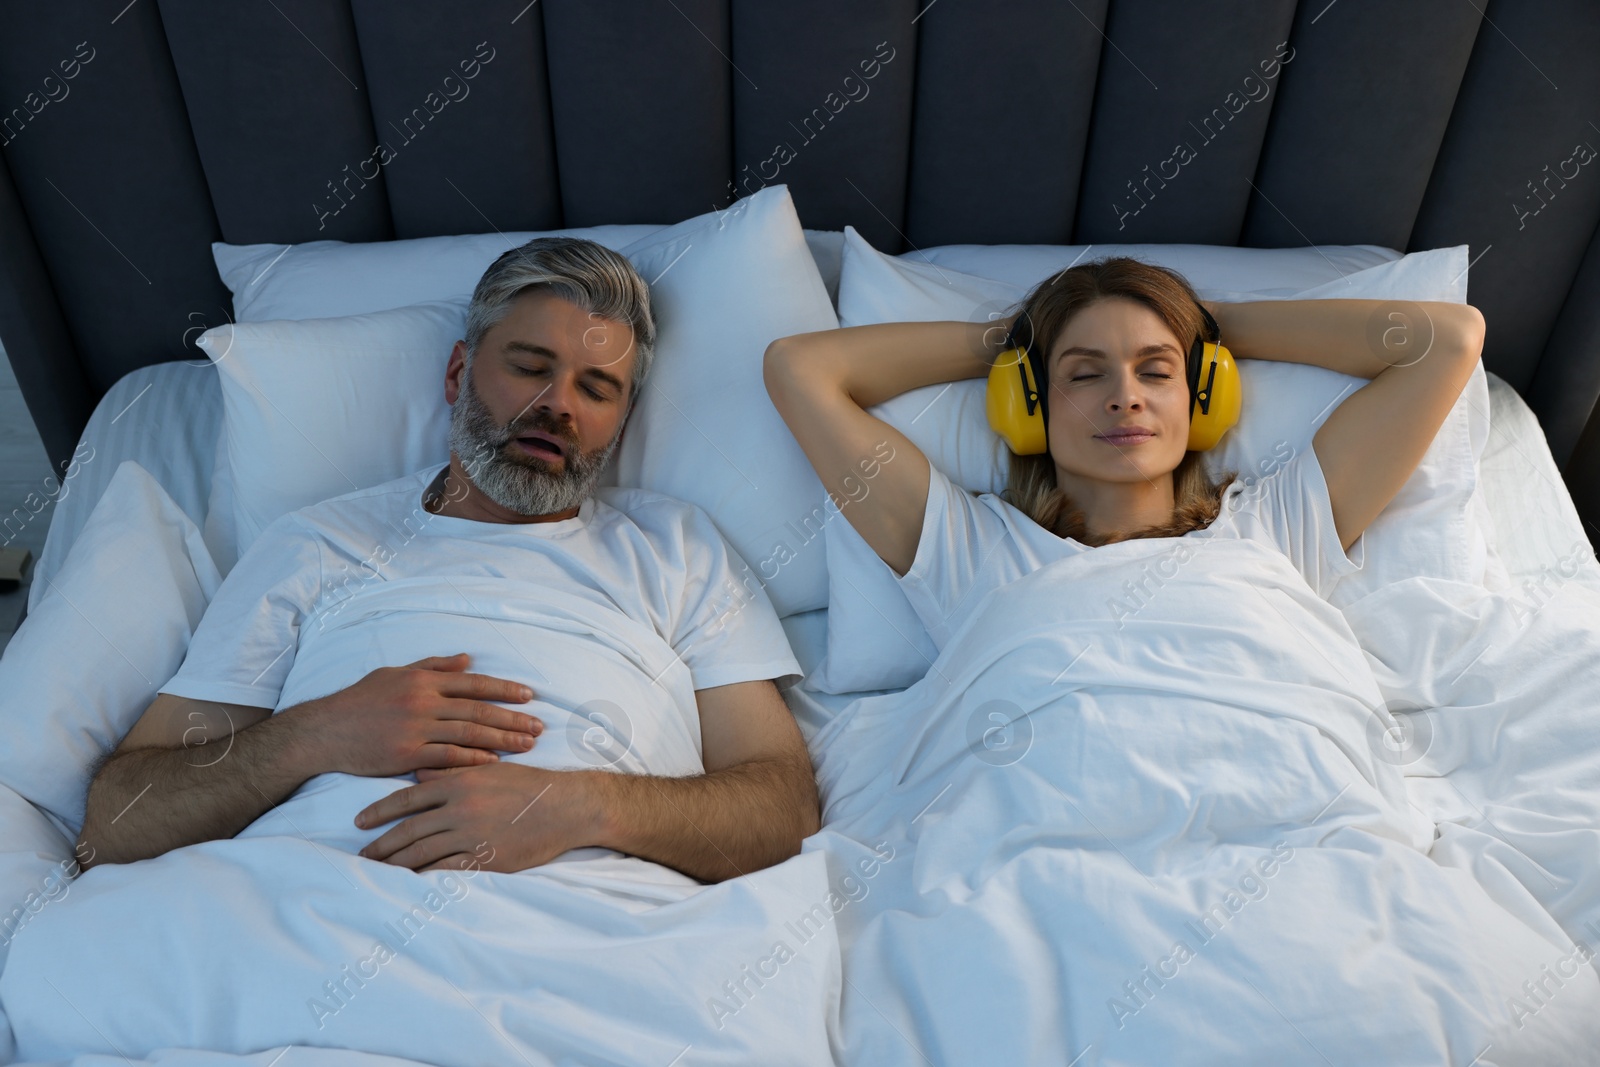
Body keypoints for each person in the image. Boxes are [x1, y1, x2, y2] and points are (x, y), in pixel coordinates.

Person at [79, 237, 818, 882]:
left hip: (592, 924)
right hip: (305, 905)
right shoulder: (314, 544)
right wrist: (312, 735)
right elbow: (116, 825)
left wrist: (578, 805)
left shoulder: (678, 550)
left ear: (618, 426)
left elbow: (780, 811)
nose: (558, 404)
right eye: (531, 366)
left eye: (596, 389)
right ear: (457, 375)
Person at [763, 257, 1485, 650]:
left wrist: (1206, 327)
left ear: (1206, 398)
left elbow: (1444, 342)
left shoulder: (1275, 529)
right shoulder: (970, 549)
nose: (1125, 396)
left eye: (1158, 369)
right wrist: (1018, 342)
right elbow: (800, 370)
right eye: (1083, 373)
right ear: (1029, 406)